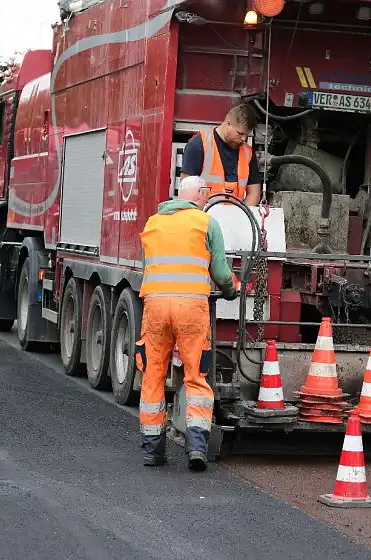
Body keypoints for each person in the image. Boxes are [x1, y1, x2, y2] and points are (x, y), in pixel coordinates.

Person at [136, 176, 238, 472]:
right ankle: (196, 449)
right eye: (206, 193)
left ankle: (153, 451)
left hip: (155, 307)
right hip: (191, 309)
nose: (207, 199)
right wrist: (232, 290)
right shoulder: (206, 223)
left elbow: (147, 269)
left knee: (153, 375)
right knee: (196, 376)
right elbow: (220, 271)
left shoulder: (152, 223)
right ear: (199, 195)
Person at [179, 104, 262, 206]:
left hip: (235, 218)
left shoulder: (248, 153)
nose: (244, 139)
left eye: (247, 135)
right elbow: (186, 191)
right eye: (240, 133)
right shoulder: (199, 144)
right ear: (228, 123)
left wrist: (242, 218)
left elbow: (254, 194)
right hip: (204, 217)